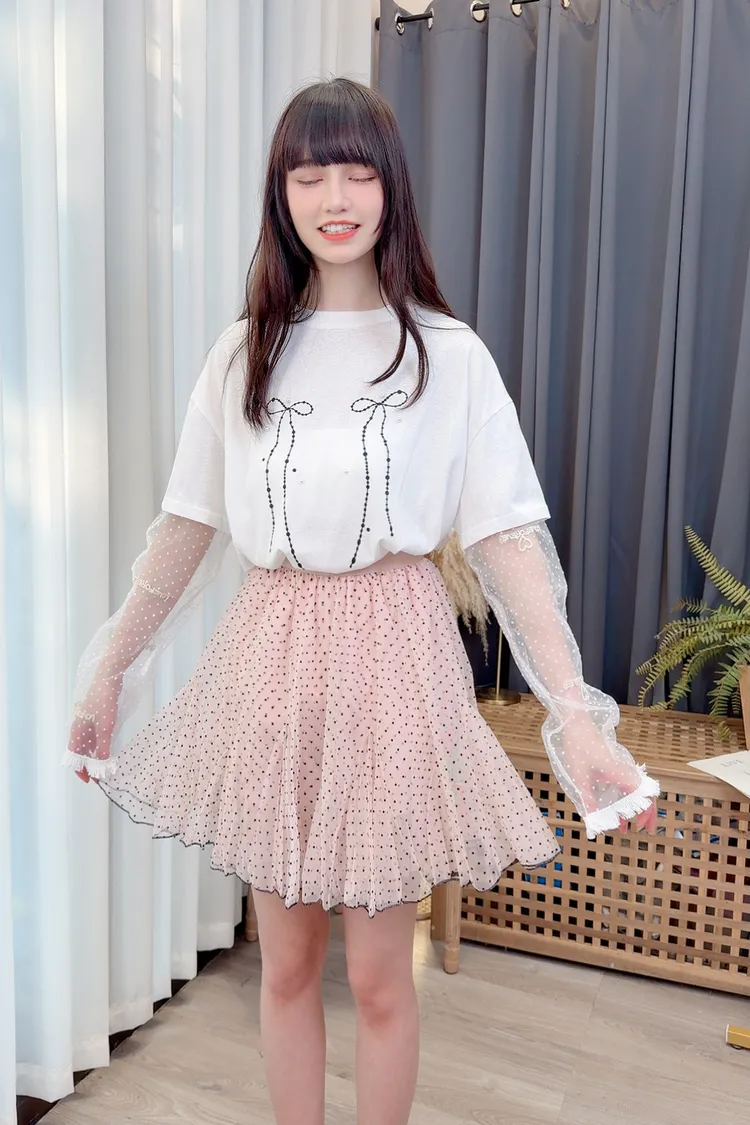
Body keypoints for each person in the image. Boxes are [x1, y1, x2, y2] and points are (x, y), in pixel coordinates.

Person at [65, 78, 659, 1125]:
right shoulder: (244, 352)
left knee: (383, 977)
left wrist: (576, 713)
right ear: (281, 193)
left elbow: (509, 542)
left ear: (391, 189)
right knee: (286, 965)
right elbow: (184, 532)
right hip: (271, 654)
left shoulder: (448, 355)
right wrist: (111, 667)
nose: (334, 197)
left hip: (395, 653)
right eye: (309, 175)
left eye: (356, 172)